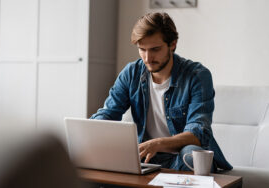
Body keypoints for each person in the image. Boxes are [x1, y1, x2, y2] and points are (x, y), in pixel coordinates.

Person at [90, 12, 232, 172]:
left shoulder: (197, 76)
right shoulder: (131, 73)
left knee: (192, 156)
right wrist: (88, 132)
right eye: (142, 49)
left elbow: (198, 132)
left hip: (181, 157)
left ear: (172, 44)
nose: (147, 58)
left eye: (155, 49)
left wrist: (157, 144)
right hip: (145, 157)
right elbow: (109, 113)